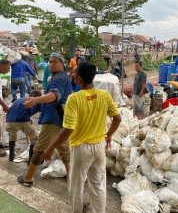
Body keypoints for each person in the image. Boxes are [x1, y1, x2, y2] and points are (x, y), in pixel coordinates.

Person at [42, 62, 121, 213]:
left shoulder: (74, 98)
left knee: (77, 185)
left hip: (81, 148)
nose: (72, 74)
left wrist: (51, 147)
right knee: (98, 184)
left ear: (78, 78)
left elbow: (69, 129)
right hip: (99, 146)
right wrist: (108, 135)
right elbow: (117, 119)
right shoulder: (104, 95)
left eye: (74, 73)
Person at [17, 52, 72, 187]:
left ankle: (28, 178)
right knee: (64, 148)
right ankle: (71, 177)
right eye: (49, 62)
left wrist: (36, 100)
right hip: (60, 119)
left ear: (62, 64)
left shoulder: (59, 78)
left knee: (39, 148)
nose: (50, 64)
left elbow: (54, 96)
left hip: (52, 119)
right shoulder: (62, 77)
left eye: (54, 62)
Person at [6, 89, 42, 162]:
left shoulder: (19, 99)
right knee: (34, 139)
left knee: (12, 136)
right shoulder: (36, 101)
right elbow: (43, 112)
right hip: (23, 120)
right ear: (38, 97)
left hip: (9, 121)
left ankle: (11, 155)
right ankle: (31, 160)